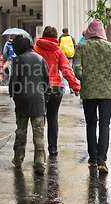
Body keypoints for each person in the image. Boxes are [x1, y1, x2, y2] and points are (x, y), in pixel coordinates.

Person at [73, 19, 111, 174]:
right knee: (104, 125)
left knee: (91, 124)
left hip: (88, 92)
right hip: (106, 92)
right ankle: (102, 159)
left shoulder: (81, 46)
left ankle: (93, 158)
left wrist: (83, 78)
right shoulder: (110, 47)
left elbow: (77, 68)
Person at [34, 26, 81, 156]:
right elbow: (66, 70)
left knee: (39, 118)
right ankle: (53, 149)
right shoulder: (58, 51)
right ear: (56, 37)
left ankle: (39, 149)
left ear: (43, 35)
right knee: (53, 118)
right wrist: (75, 86)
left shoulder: (35, 49)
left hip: (40, 87)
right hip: (56, 88)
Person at [9, 34, 51, 175]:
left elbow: (13, 82)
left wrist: (14, 97)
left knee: (21, 132)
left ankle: (18, 160)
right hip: (38, 101)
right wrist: (45, 99)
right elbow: (47, 83)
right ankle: (40, 163)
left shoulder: (17, 60)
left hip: (22, 100)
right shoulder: (41, 59)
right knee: (38, 134)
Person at [59, 28, 76, 93]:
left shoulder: (60, 38)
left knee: (64, 72)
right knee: (70, 72)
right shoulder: (71, 38)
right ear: (68, 31)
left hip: (63, 57)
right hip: (70, 57)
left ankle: (63, 89)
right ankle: (71, 88)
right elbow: (74, 46)